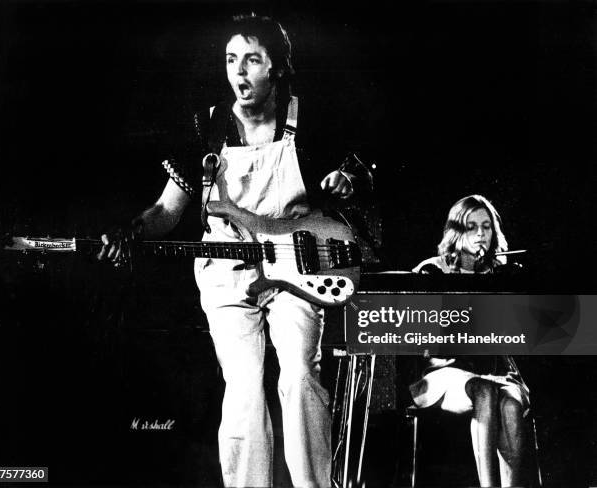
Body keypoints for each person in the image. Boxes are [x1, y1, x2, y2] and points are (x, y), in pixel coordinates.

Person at [99, 14, 371, 488]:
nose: (240, 72)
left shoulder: (308, 122)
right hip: (227, 275)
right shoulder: (207, 130)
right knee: (244, 392)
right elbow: (167, 209)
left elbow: (360, 177)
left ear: (278, 69)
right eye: (231, 60)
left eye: (252, 60)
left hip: (295, 272)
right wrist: (133, 230)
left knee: (299, 378)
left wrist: (349, 179)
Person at [411, 194, 530, 487]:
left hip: (499, 370)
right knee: (484, 390)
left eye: (487, 227)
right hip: (442, 374)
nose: (480, 234)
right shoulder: (432, 270)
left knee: (512, 405)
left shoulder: (502, 273)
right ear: (457, 231)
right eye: (471, 226)